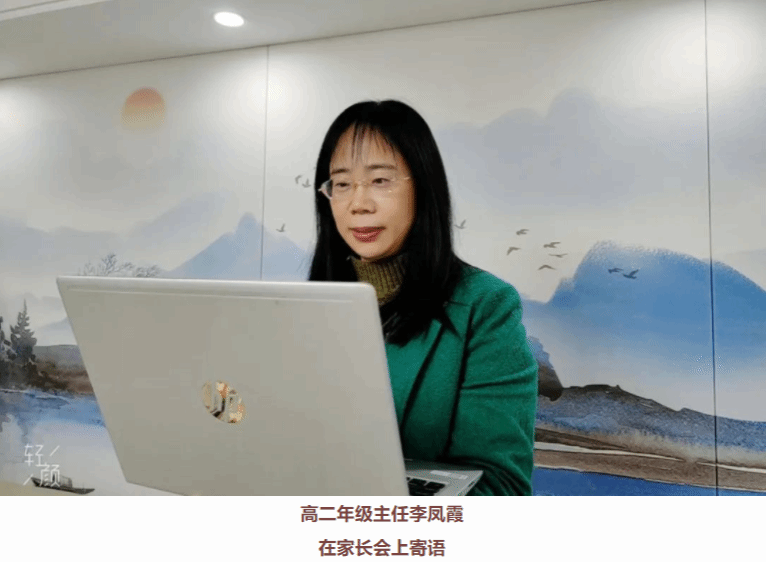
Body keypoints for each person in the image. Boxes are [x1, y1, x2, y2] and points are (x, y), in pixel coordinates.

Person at [308, 100, 538, 495]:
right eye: (341, 184)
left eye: (380, 180)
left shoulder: (486, 306)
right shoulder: (307, 308)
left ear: (423, 187)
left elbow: (503, 488)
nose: (358, 204)